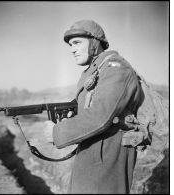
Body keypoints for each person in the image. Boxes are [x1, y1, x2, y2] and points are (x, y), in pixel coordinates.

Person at [44, 20, 144, 194]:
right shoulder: (97, 70)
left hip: (107, 157)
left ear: (94, 43)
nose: (72, 49)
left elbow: (101, 115)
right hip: (93, 152)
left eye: (77, 43)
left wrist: (56, 132)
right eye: (70, 45)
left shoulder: (116, 69)